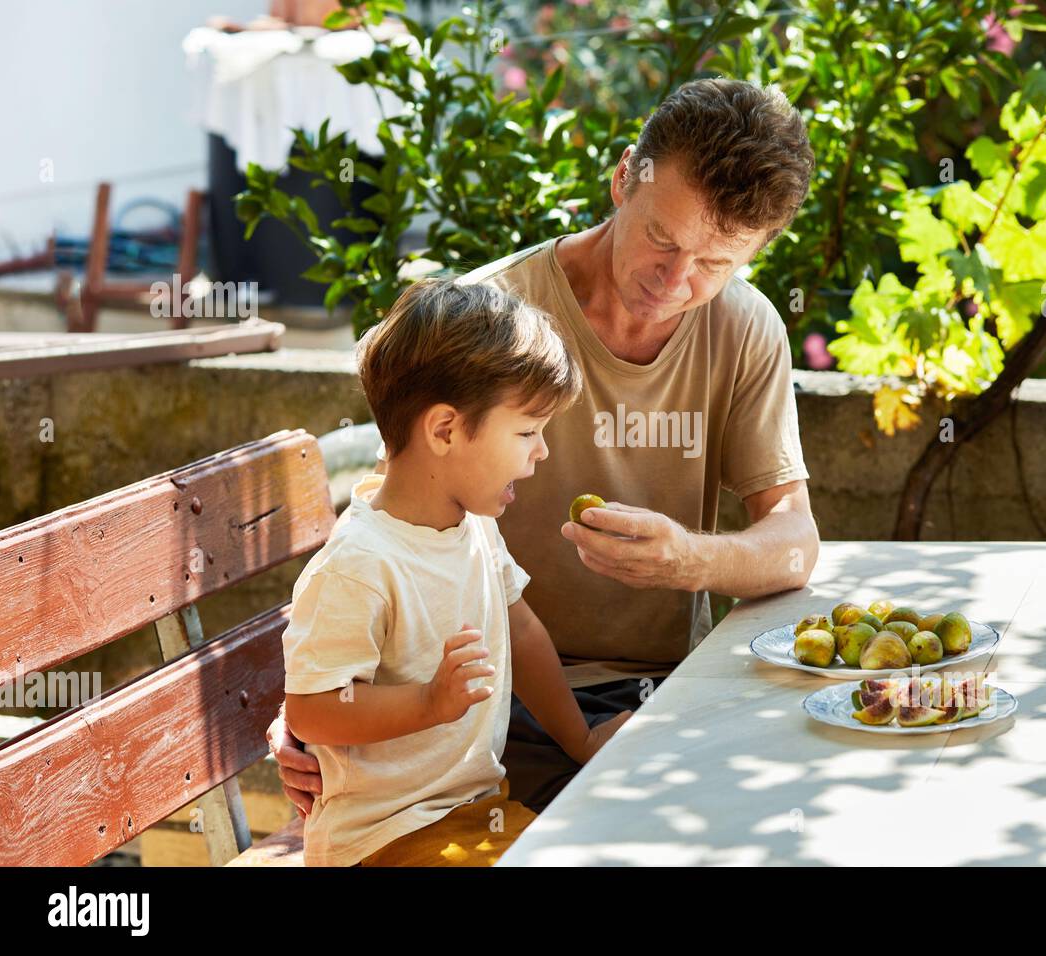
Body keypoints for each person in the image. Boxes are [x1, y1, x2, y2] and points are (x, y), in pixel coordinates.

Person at [269, 77, 821, 817]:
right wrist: (315, 714)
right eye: (663, 237)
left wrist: (686, 560)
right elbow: (384, 526)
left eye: (716, 265)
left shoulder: (745, 330)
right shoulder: (499, 322)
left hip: (660, 691)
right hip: (491, 704)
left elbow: (794, 540)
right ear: (625, 177)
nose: (676, 281)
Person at [280, 280, 629, 866]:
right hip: (383, 840)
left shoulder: (473, 526)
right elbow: (311, 710)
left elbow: (522, 633)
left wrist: (583, 739)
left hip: (473, 815)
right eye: (526, 432)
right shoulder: (361, 564)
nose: (541, 452)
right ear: (444, 431)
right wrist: (428, 703)